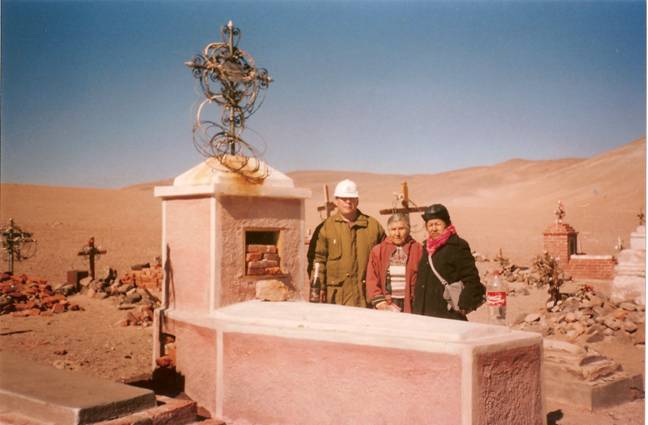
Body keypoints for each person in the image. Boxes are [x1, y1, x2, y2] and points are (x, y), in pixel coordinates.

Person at [313, 179, 385, 307]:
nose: (348, 202)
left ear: (357, 200)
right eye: (344, 198)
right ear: (336, 201)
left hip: (366, 298)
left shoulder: (373, 226)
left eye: (352, 198)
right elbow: (319, 260)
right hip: (336, 299)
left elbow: (385, 259)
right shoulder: (327, 227)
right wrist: (319, 288)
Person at [413, 204, 485, 320]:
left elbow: (471, 278)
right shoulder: (426, 247)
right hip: (423, 312)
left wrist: (463, 305)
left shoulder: (457, 246)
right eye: (430, 225)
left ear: (446, 224)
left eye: (437, 224)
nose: (434, 228)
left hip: (447, 312)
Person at [366, 213, 423, 313]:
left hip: (412, 303)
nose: (397, 233)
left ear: (408, 229)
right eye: (393, 229)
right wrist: (381, 303)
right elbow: (372, 279)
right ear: (388, 231)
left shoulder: (418, 249)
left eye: (401, 229)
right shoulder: (378, 250)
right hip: (386, 303)